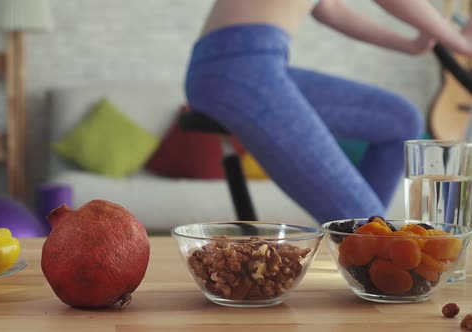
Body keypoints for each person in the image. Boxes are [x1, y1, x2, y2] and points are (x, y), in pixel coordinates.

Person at [185, 0, 472, 224]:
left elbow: (330, 8)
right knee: (366, 220)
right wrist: (459, 43)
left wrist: (409, 46)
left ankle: (364, 242)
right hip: (235, 69)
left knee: (401, 120)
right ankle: (367, 238)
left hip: (259, 64)